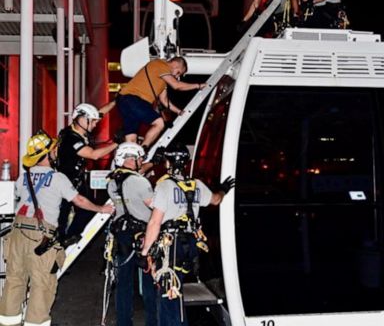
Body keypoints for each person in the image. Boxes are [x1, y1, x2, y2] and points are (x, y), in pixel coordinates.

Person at [0, 130, 115, 326]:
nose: (56, 152)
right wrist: (101, 209)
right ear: (48, 153)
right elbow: (78, 200)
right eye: (54, 149)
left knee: (14, 280)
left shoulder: (23, 177)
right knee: (41, 284)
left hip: (16, 233)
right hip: (40, 236)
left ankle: (7, 322)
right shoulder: (58, 178)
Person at [140, 143, 235, 326]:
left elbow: (154, 222)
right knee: (178, 289)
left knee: (168, 296)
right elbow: (216, 199)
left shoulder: (165, 186)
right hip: (190, 245)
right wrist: (222, 189)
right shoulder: (196, 184)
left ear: (169, 163)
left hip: (171, 247)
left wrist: (145, 253)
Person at [107, 142, 157, 326]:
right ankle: (153, 321)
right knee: (150, 283)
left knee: (124, 284)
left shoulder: (113, 181)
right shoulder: (140, 182)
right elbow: (155, 206)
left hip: (122, 235)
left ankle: (124, 322)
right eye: (139, 158)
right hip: (143, 237)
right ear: (133, 159)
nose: (141, 161)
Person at [56, 102, 118, 246]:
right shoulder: (71, 138)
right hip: (67, 182)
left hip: (76, 180)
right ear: (82, 119)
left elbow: (99, 113)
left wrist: (116, 101)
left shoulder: (75, 131)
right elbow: (94, 155)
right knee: (64, 217)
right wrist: (116, 143)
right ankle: (62, 242)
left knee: (86, 211)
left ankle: (68, 238)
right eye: (93, 121)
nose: (96, 124)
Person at [116, 57, 206, 150]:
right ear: (175, 64)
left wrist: (178, 111)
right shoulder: (160, 64)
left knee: (131, 140)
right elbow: (176, 85)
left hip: (126, 101)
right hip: (133, 100)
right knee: (159, 123)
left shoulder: (162, 78)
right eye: (178, 72)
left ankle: (130, 157)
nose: (176, 76)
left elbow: (164, 100)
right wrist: (198, 86)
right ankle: (142, 151)